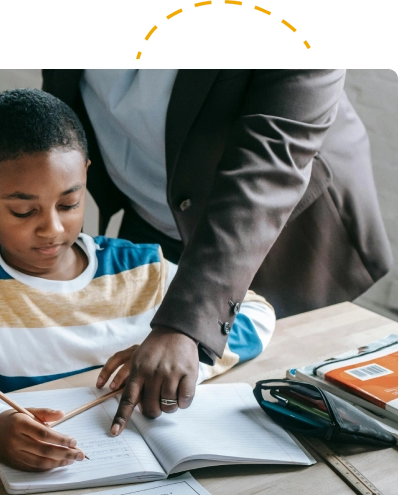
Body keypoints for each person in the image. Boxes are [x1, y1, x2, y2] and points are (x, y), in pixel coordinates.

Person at [0, 89, 275, 471]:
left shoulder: (139, 268)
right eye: (24, 211)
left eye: (69, 203)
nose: (52, 228)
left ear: (86, 175)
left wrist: (182, 358)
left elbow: (256, 312)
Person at [42, 69, 392, 436]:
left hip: (283, 235)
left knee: (283, 411)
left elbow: (268, 168)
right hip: (146, 209)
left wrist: (183, 325)